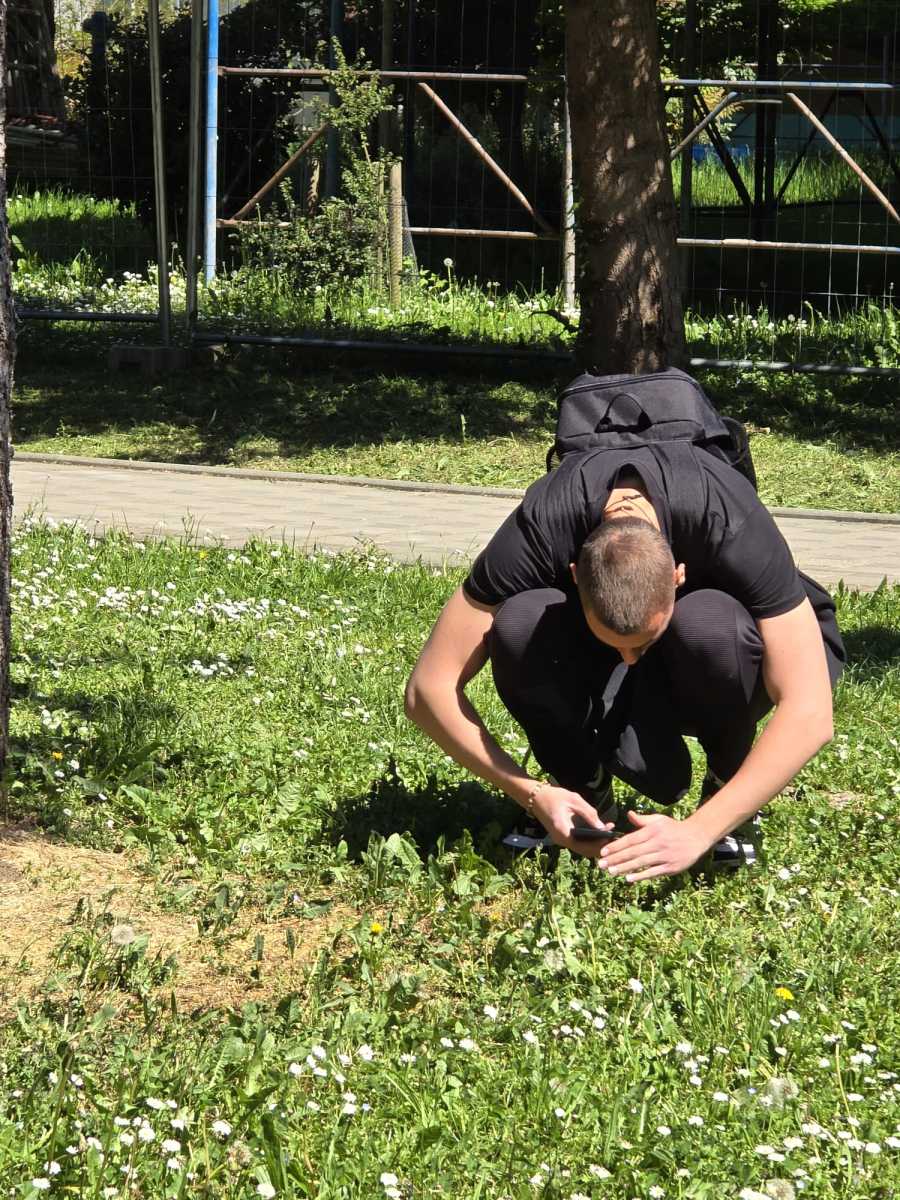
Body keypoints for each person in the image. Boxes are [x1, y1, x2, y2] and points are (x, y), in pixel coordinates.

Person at [404, 439, 844, 881]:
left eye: (641, 643)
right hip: (592, 651)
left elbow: (810, 711)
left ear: (678, 575)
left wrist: (700, 830)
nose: (630, 660)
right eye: (617, 644)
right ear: (575, 576)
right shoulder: (542, 526)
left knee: (710, 625)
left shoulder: (729, 520)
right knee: (521, 623)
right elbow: (428, 689)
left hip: (702, 654)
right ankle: (581, 794)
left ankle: (725, 791)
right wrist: (531, 793)